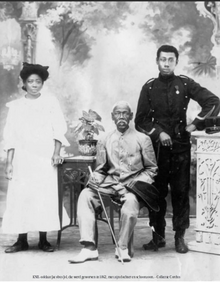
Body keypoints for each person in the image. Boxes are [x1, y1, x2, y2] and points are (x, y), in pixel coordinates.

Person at [135, 44, 220, 253]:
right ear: (157, 61)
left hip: (181, 147)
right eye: (163, 59)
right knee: (157, 193)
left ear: (176, 61)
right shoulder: (149, 87)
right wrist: (158, 133)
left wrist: (195, 124)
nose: (166, 63)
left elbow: (213, 102)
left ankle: (180, 238)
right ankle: (158, 237)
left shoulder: (184, 83)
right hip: (157, 150)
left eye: (170, 59)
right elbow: (140, 121)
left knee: (181, 193)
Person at [68, 100, 158, 263]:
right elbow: (102, 169)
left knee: (130, 204)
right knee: (85, 195)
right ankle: (89, 248)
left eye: (125, 113)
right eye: (118, 113)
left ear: (130, 116)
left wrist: (132, 186)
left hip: (131, 189)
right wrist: (95, 178)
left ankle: (122, 247)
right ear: (112, 117)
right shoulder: (104, 139)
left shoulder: (143, 139)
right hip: (108, 187)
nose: (121, 117)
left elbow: (151, 170)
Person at [2, 62, 69, 253]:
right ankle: (21, 240)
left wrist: (56, 153)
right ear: (24, 83)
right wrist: (9, 163)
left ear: (42, 83)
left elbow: (58, 129)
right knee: (21, 197)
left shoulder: (50, 103)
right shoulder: (16, 106)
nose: (34, 85)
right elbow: (11, 136)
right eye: (30, 81)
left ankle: (43, 239)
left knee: (43, 197)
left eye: (37, 81)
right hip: (22, 159)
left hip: (44, 159)